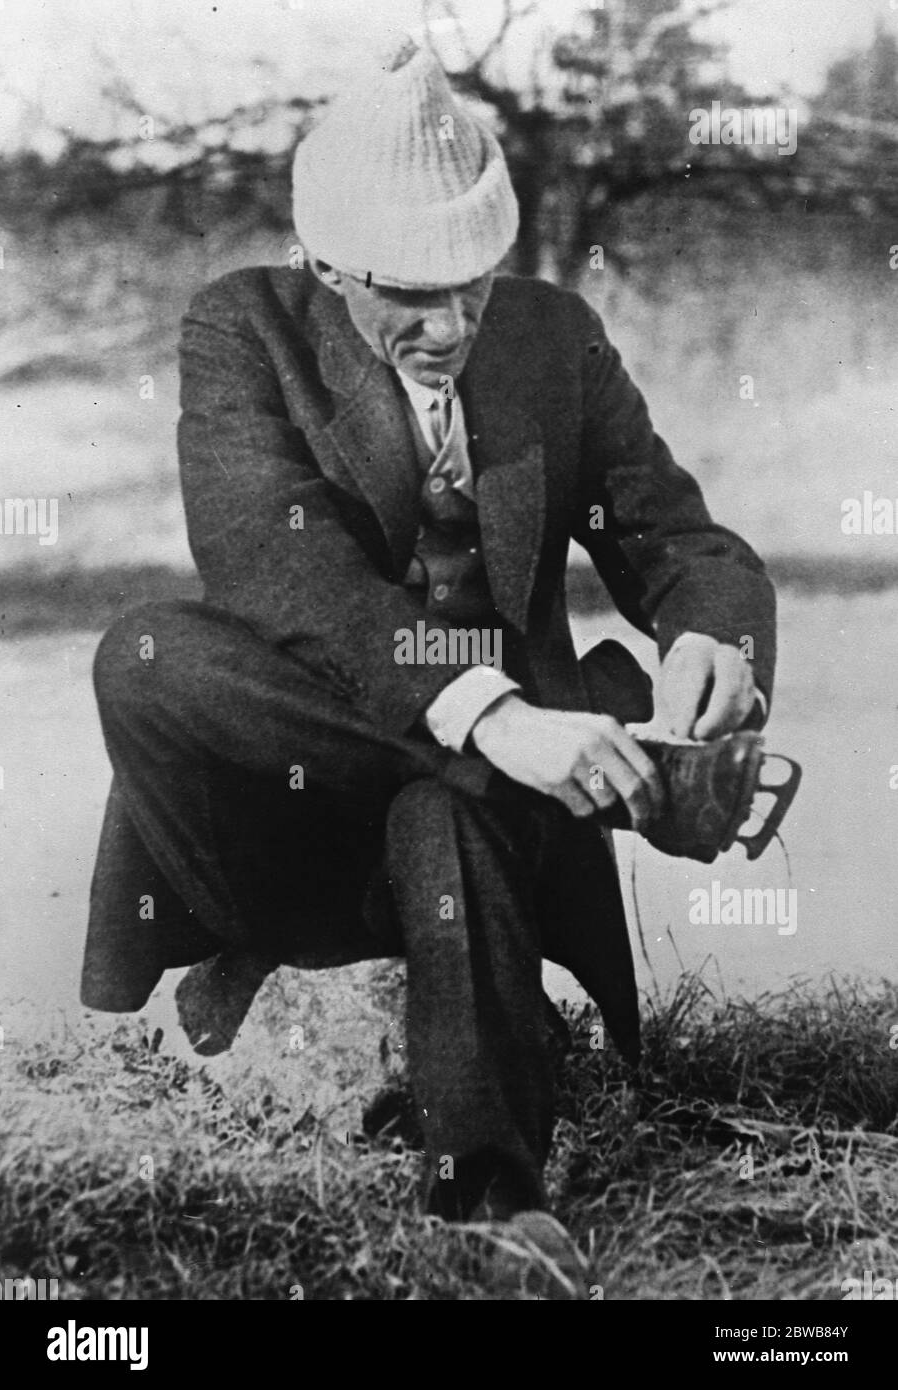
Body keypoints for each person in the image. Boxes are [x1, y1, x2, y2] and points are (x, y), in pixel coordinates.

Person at [82, 39, 775, 1297]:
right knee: (142, 652)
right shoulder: (241, 328)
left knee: (452, 796)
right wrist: (500, 719)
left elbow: (676, 540)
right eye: (407, 292)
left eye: (475, 282)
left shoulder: (554, 340)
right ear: (324, 267)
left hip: (469, 826)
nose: (450, 324)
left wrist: (710, 646)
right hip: (289, 807)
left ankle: (488, 1189)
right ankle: (530, 762)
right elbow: (275, 576)